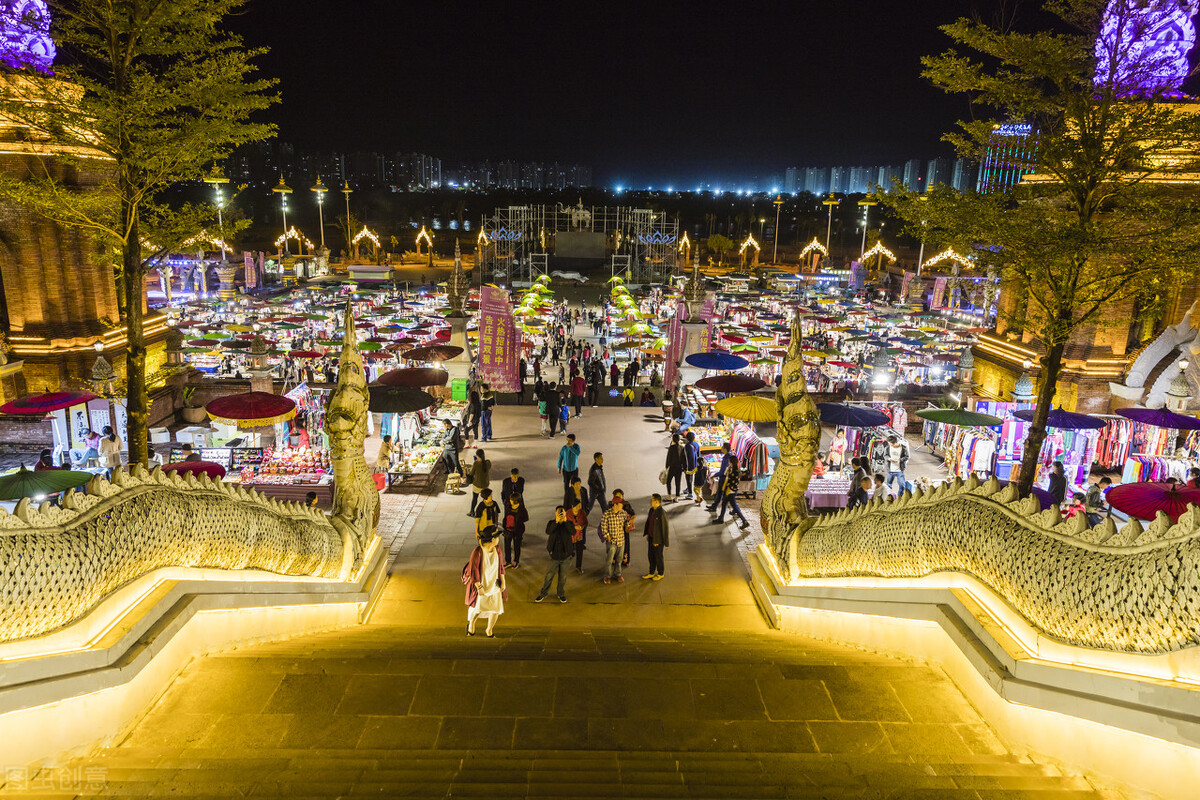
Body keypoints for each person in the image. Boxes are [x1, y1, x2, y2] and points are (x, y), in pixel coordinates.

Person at [461, 526, 507, 637]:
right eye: (497, 537)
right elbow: (474, 569)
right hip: (482, 585)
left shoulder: (497, 549)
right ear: (492, 539)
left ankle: (489, 630)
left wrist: (503, 581)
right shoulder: (478, 551)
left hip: (494, 584)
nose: (498, 539)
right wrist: (479, 587)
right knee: (477, 608)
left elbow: (500, 566)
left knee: (495, 609)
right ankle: (471, 625)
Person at [535, 506, 575, 603]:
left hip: (566, 556)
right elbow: (548, 531)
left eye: (562, 513)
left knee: (563, 577)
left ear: (565, 514)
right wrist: (556, 522)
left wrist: (565, 521)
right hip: (554, 556)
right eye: (558, 513)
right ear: (555, 514)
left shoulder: (569, 523)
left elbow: (573, 532)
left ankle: (560, 594)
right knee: (549, 576)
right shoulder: (551, 523)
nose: (560, 515)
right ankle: (543, 593)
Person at [711, 457, 750, 530]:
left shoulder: (733, 471)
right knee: (724, 504)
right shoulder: (736, 470)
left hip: (730, 491)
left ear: (731, 462)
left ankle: (744, 521)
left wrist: (726, 490)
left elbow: (728, 479)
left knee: (734, 506)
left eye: (729, 462)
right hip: (732, 490)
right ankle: (721, 518)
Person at [599, 494, 628, 584]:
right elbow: (603, 527)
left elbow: (626, 522)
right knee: (609, 560)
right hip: (612, 541)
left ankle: (618, 574)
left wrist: (628, 524)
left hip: (621, 540)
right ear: (615, 505)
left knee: (619, 560)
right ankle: (607, 576)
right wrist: (608, 536)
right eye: (621, 504)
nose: (622, 505)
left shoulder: (623, 513)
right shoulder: (607, 514)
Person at [642, 493, 669, 580]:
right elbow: (649, 523)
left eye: (652, 500)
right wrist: (647, 534)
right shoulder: (651, 510)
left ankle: (660, 573)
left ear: (657, 502)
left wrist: (658, 541)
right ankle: (651, 572)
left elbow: (664, 529)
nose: (650, 501)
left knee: (658, 556)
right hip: (651, 537)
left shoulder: (661, 513)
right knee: (651, 555)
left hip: (657, 540)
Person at [704, 443, 736, 513]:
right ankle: (715, 507)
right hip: (727, 478)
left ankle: (717, 509)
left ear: (725, 449)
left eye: (722, 447)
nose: (721, 448)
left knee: (721, 494)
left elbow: (722, 471)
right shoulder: (730, 456)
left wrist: (714, 475)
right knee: (723, 495)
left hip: (724, 478)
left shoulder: (725, 459)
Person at [500, 492, 529, 569]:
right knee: (507, 546)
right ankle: (508, 561)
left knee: (517, 546)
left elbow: (526, 518)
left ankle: (516, 561)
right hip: (508, 530)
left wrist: (518, 521)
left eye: (511, 499)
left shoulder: (522, 509)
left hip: (517, 531)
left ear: (515, 501)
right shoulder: (508, 506)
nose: (509, 500)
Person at [565, 498, 589, 574]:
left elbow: (585, 522)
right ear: (573, 506)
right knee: (569, 551)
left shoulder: (582, 513)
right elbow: (566, 525)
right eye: (577, 506)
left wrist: (582, 527)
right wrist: (575, 527)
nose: (579, 508)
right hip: (570, 536)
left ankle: (578, 566)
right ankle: (565, 566)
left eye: (580, 506)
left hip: (579, 536)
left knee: (580, 551)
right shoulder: (568, 513)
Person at [466, 449, 491, 516]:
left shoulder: (476, 464)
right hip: (485, 484)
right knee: (486, 498)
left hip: (477, 485)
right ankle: (487, 512)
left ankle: (472, 512)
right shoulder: (488, 463)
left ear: (477, 456)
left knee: (475, 498)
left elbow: (471, 473)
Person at [664, 433, 685, 501]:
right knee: (677, 482)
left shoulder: (671, 448)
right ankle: (676, 497)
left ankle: (669, 495)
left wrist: (667, 466)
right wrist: (684, 468)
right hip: (679, 468)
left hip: (672, 467)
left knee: (668, 481)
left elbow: (668, 458)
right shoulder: (682, 448)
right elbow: (684, 459)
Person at [682, 431, 700, 501]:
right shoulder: (696, 444)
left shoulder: (686, 446)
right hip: (695, 464)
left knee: (688, 478)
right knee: (691, 477)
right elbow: (699, 454)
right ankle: (688, 488)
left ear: (687, 438)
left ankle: (690, 493)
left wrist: (684, 467)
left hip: (689, 465)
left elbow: (685, 458)